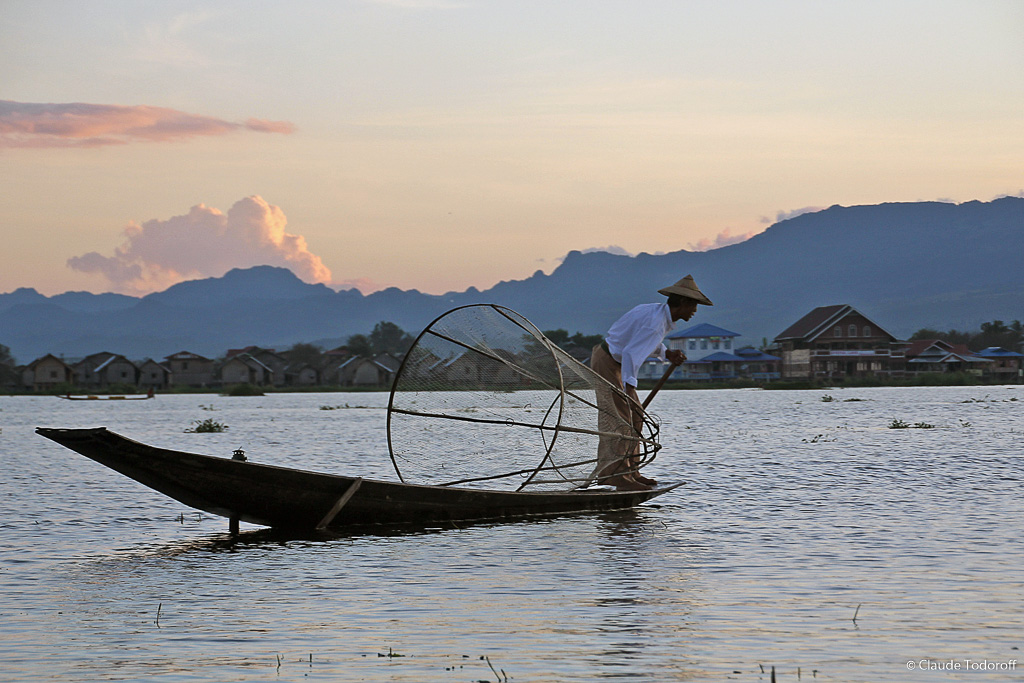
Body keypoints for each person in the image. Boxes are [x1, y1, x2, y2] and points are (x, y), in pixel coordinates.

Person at [590, 275, 713, 490]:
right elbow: (630, 353)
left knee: (636, 418)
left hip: (615, 362)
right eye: (693, 305)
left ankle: (631, 471)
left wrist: (667, 353)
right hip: (607, 362)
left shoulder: (658, 316)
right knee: (622, 420)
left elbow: (644, 342)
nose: (694, 311)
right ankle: (615, 475)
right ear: (683, 303)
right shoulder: (656, 323)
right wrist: (630, 388)